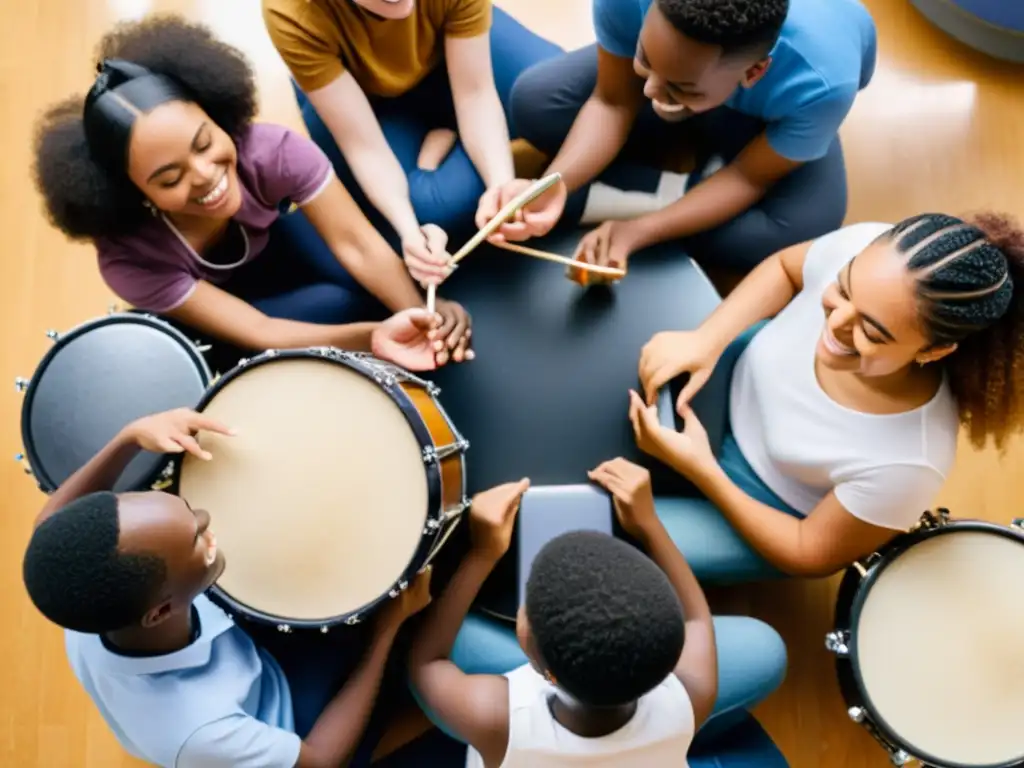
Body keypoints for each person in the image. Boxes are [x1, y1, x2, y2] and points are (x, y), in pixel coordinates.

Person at [32, 16, 472, 367]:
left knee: (381, 267)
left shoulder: (271, 153)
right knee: (342, 305)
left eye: (205, 143)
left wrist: (423, 313)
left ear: (217, 115)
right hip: (225, 311)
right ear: (134, 193)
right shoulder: (131, 258)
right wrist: (375, 337)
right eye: (170, 178)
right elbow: (261, 331)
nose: (205, 174)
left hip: (274, 242)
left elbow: (356, 245)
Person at [21, 406, 448, 767]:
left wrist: (129, 438)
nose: (207, 519)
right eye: (194, 537)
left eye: (189, 508)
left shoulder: (84, 586)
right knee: (404, 643)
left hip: (236, 646)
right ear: (161, 611)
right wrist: (387, 630)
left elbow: (49, 527)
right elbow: (320, 758)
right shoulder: (201, 728)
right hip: (286, 709)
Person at [628, 212, 1024, 583]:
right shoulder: (864, 246)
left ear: (931, 352)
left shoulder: (912, 462)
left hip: (756, 502)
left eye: (871, 332)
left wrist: (702, 471)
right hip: (726, 374)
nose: (834, 325)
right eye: (841, 289)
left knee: (611, 529)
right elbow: (785, 268)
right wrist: (708, 338)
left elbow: (808, 551)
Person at [408, 459, 788, 765]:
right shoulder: (693, 695)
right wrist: (648, 522)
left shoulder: (496, 720)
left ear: (547, 672)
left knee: (464, 639)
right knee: (768, 649)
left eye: (530, 604)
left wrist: (482, 553)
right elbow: (696, 620)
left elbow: (426, 665)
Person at [482, 0, 877, 275]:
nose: (651, 92)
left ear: (755, 72)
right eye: (645, 59)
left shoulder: (824, 80)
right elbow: (613, 102)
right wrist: (557, 184)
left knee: (806, 225)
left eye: (680, 87)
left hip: (768, 120)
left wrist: (640, 230)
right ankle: (689, 182)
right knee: (535, 103)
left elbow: (748, 176)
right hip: (708, 82)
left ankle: (664, 191)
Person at [262, 0, 563, 285]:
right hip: (364, 96)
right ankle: (452, 142)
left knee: (564, 106)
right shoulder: (292, 12)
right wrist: (410, 233)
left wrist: (502, 188)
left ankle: (442, 145)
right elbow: (363, 145)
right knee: (427, 212)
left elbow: (475, 93)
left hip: (448, 47)